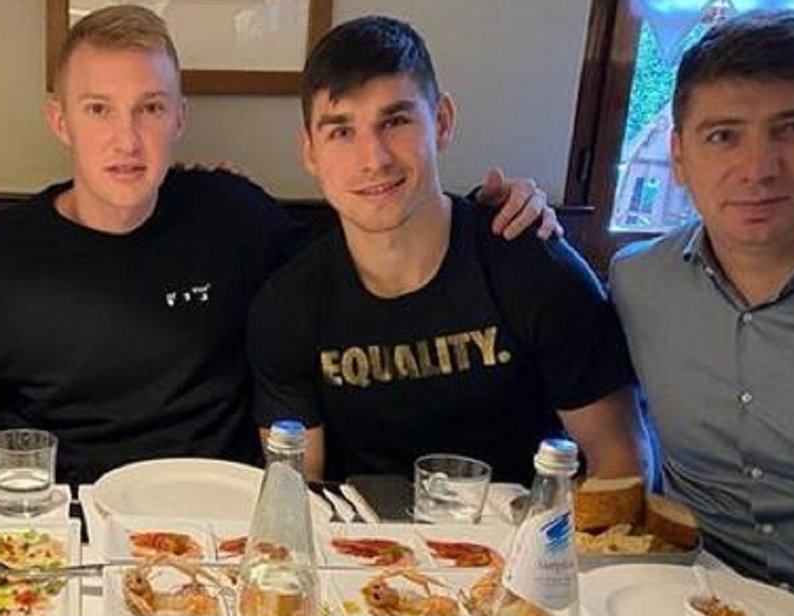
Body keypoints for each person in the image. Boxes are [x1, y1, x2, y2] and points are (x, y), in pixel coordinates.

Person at [0, 5, 556, 486]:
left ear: (180, 117)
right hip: (68, 526)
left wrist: (486, 212)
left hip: (223, 524)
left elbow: (368, 243)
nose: (127, 140)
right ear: (59, 121)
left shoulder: (235, 217)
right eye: (98, 109)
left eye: (151, 108)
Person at [248, 16, 647, 485]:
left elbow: (622, 466)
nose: (374, 159)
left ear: (441, 122)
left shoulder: (537, 268)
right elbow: (294, 493)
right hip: (355, 529)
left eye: (395, 121)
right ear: (310, 152)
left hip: (527, 525)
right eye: (341, 131)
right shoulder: (288, 305)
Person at [610, 10, 794, 613]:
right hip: (688, 608)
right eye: (723, 136)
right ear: (679, 156)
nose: (758, 169)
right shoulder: (639, 281)